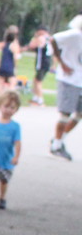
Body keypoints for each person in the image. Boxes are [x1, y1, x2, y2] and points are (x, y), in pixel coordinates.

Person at [49, 13, 82, 160]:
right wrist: (62, 62)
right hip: (69, 80)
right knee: (65, 114)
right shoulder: (74, 34)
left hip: (80, 81)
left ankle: (59, 139)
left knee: (79, 114)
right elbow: (53, 39)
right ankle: (56, 146)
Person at [26, 27, 52, 106]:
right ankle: (36, 97)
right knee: (35, 80)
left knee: (38, 81)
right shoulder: (49, 38)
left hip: (42, 63)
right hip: (46, 62)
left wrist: (35, 37)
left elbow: (31, 46)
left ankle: (40, 100)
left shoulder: (41, 38)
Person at [0, 25, 22, 94]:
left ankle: (0, 96)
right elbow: (15, 57)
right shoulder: (14, 44)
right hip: (10, 66)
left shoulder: (4, 44)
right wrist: (15, 66)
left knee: (0, 82)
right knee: (12, 82)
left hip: (2, 66)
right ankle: (10, 95)